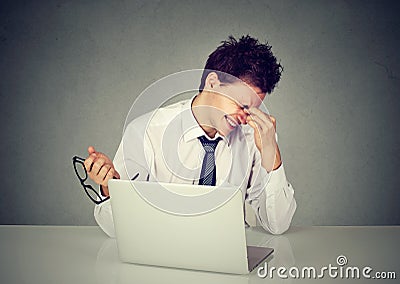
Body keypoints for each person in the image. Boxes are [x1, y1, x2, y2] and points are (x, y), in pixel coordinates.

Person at [84, 35, 296, 237]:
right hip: (163, 259)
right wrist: (109, 187)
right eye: (240, 105)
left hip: (228, 257)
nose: (244, 117)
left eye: (252, 110)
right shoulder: (147, 132)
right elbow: (114, 229)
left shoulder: (256, 137)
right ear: (212, 83)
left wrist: (271, 153)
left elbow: (277, 225)